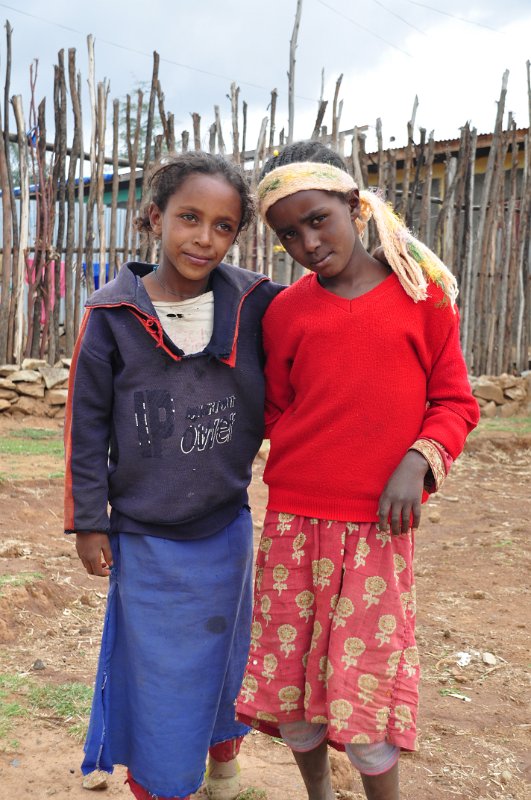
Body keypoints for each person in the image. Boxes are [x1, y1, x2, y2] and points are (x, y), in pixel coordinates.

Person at [235, 141, 480, 800]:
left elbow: (455, 402)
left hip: (376, 530)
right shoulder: (286, 313)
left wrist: (417, 460)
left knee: (365, 688)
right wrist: (310, 455)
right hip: (293, 527)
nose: (308, 243)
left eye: (318, 220)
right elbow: (276, 408)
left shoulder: (421, 297)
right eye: (289, 234)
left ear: (355, 206)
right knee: (293, 691)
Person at [64, 151, 283, 800]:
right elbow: (85, 427)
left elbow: (326, 324)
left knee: (225, 655)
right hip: (144, 534)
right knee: (156, 674)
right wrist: (88, 523)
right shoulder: (112, 314)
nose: (203, 237)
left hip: (225, 526)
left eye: (223, 226)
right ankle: (161, 784)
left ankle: (223, 764)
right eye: (189, 217)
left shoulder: (256, 304)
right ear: (155, 217)